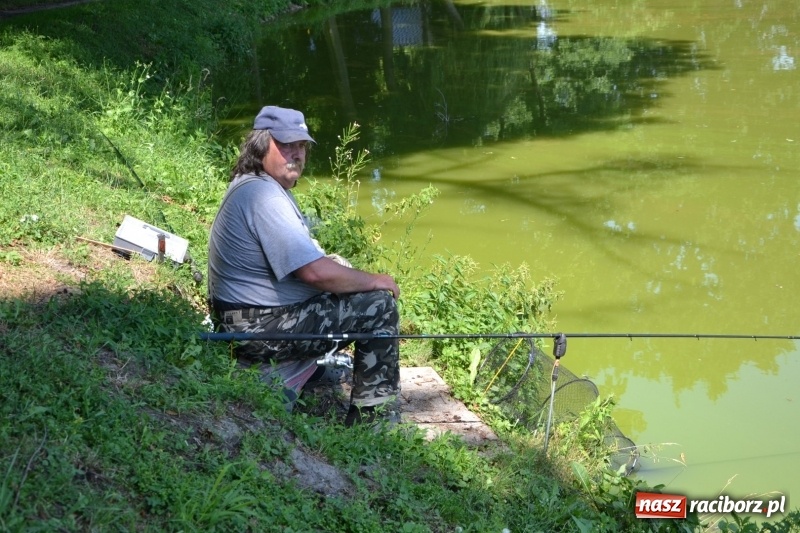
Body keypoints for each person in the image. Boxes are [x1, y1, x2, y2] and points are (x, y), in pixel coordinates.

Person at [207, 105, 400, 426]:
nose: (296, 154)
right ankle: (373, 421)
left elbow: (310, 260)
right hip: (258, 330)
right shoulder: (265, 197)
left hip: (246, 320)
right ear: (260, 146)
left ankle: (306, 367)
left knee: (343, 272)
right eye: (286, 145)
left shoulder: (254, 184)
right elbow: (313, 273)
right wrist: (375, 280)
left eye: (301, 146)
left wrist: (343, 271)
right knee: (378, 306)